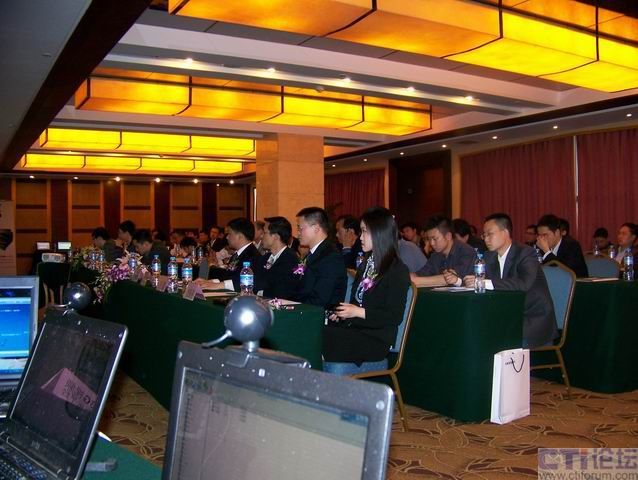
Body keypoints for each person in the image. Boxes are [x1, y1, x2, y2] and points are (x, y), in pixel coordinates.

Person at [323, 207, 410, 374]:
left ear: (379, 234)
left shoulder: (397, 270)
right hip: (356, 331)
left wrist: (357, 312)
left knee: (319, 336)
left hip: (376, 339)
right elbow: (357, 304)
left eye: (364, 232)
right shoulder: (366, 264)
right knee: (315, 328)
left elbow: (393, 316)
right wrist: (344, 314)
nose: (360, 237)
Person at [464, 213, 557, 348]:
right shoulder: (489, 256)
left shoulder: (526, 253)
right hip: (508, 316)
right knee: (474, 333)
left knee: (498, 338)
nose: (486, 239)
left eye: (490, 234)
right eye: (484, 235)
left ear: (505, 233)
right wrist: (461, 281)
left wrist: (485, 282)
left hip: (532, 318)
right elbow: (479, 280)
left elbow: (524, 284)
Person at [293, 207, 347, 307]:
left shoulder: (331, 257)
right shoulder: (312, 254)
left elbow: (320, 300)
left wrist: (292, 306)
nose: (298, 233)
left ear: (316, 228)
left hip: (318, 314)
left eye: (300, 228)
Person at [412, 215, 476, 287]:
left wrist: (416, 281)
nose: (432, 243)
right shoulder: (436, 255)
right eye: (429, 239)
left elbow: (450, 279)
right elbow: (421, 274)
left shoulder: (467, 252)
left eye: (435, 239)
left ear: (448, 236)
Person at [205, 217, 260, 292]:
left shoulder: (252, 255)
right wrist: (210, 282)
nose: (227, 237)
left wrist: (217, 285)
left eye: (229, 234)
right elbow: (228, 276)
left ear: (239, 236)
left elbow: (243, 282)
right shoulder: (237, 254)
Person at [253, 216, 300, 299]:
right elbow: (255, 283)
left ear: (276, 237)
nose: (261, 236)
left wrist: (259, 292)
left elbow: (281, 291)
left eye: (265, 233)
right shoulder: (264, 258)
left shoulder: (290, 259)